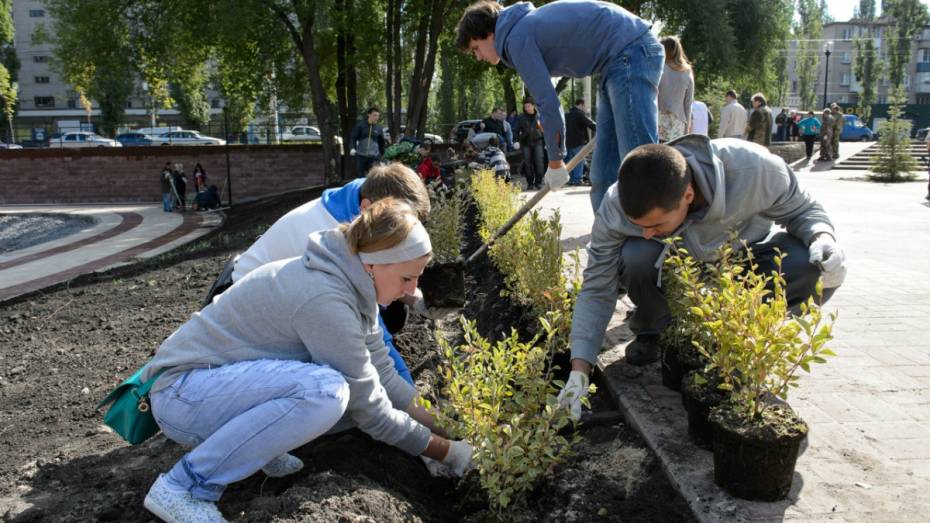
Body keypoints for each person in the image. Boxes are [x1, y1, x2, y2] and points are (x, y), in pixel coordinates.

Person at [140, 199, 475, 522]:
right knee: (327, 393)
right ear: (376, 263)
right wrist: (447, 453)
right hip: (182, 393)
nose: (412, 290)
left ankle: (259, 449)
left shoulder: (356, 282)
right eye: (407, 278)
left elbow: (384, 378)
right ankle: (185, 486)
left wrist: (449, 426)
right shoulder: (325, 298)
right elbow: (371, 410)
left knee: (341, 406)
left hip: (217, 387)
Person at [556, 136, 846, 418]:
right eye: (639, 225)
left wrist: (822, 236)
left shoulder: (754, 170)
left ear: (688, 196)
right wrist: (579, 371)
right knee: (635, 254)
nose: (647, 232)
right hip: (675, 265)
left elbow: (804, 211)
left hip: (737, 260)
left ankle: (742, 345)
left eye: (656, 224)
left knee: (805, 265)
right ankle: (656, 333)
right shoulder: (616, 204)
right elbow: (597, 287)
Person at [229, 164, 432, 387]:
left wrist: (416, 299)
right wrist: (407, 391)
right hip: (247, 316)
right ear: (367, 208)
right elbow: (374, 334)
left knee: (394, 312)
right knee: (329, 384)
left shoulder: (366, 197)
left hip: (284, 295)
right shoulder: (333, 238)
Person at [456, 0, 664, 211]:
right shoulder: (520, 29)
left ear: (488, 33)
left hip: (631, 51)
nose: (478, 56)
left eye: (476, 48)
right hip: (615, 62)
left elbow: (547, 102)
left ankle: (659, 238)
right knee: (603, 174)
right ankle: (607, 240)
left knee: (639, 163)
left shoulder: (516, 38)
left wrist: (555, 161)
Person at [657, 36, 694, 143]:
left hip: (658, 119)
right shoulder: (687, 71)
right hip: (678, 123)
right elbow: (688, 103)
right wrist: (687, 129)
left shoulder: (660, 67)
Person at [515, 96, 546, 190]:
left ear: (533, 106)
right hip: (525, 143)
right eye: (525, 106)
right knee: (528, 164)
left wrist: (548, 141)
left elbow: (545, 129)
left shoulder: (540, 116)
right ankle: (530, 183)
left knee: (539, 162)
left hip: (538, 142)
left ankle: (539, 182)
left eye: (528, 106)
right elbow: (516, 130)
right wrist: (516, 140)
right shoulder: (521, 117)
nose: (527, 108)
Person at [565, 99, 597, 186]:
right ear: (581, 105)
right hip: (578, 142)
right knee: (579, 161)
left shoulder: (567, 114)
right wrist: (600, 128)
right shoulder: (579, 113)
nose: (585, 108)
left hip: (568, 142)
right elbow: (589, 123)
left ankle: (571, 180)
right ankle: (577, 180)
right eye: (585, 106)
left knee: (571, 162)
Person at [350, 107, 386, 177]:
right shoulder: (360, 126)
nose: (376, 117)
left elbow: (381, 143)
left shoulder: (379, 128)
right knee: (361, 177)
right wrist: (352, 148)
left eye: (378, 116)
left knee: (373, 178)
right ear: (369, 115)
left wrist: (383, 157)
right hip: (361, 156)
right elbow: (353, 137)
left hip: (373, 158)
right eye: (374, 115)